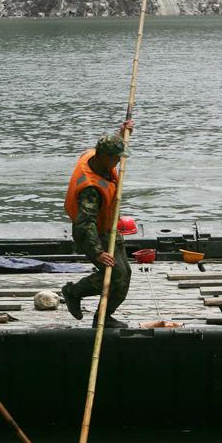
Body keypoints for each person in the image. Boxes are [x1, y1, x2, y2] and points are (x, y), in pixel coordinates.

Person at [61, 123, 133, 328]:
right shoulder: (90, 189)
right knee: (116, 276)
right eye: (116, 156)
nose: (119, 160)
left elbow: (110, 147)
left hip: (108, 226)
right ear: (104, 157)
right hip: (92, 233)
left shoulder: (92, 155)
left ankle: (105, 315)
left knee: (125, 273)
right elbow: (85, 223)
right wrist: (98, 251)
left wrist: (122, 134)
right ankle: (74, 293)